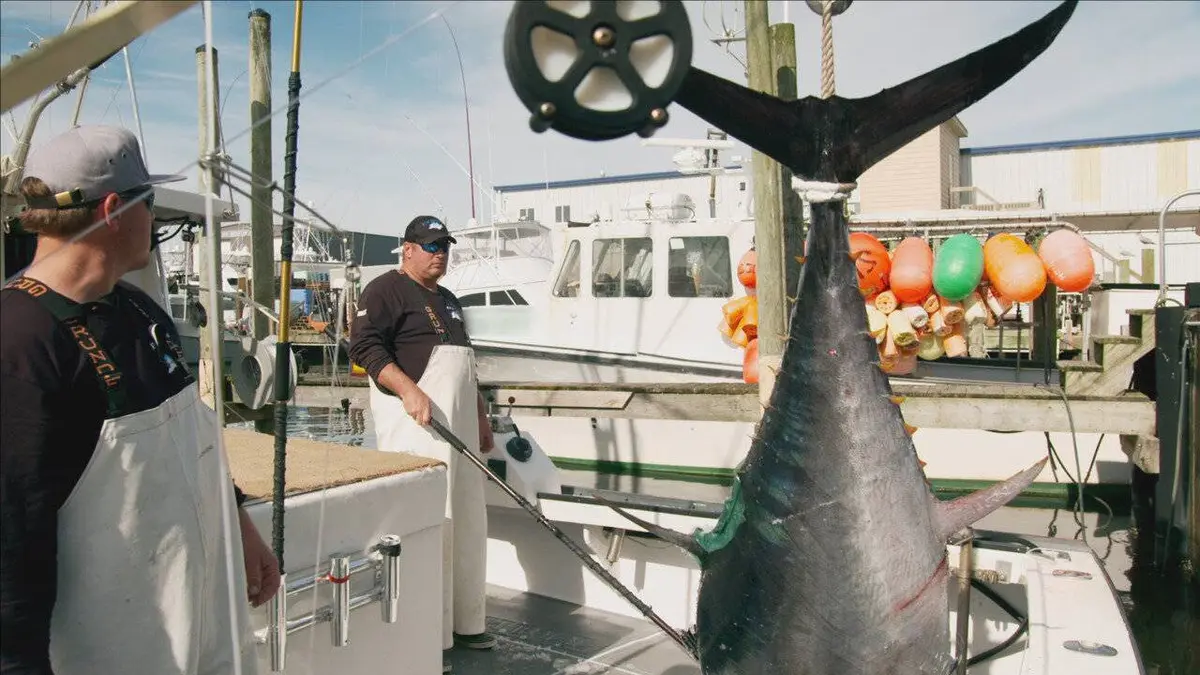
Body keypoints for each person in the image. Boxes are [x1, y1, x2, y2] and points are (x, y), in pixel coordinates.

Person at [0, 125, 280, 675]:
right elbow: (11, 542)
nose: (153, 221)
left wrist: (240, 525)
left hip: (203, 619)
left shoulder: (138, 310)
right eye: (148, 202)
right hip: (116, 647)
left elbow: (192, 440)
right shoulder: (19, 342)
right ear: (114, 211)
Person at [348, 215, 495, 672]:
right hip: (418, 427)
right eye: (431, 246)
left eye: (444, 246)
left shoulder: (449, 300)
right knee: (433, 524)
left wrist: (481, 417)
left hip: (460, 430)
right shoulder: (384, 290)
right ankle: (428, 634)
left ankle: (466, 621)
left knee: (467, 520)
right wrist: (409, 390)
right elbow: (364, 348)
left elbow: (466, 365)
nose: (440, 254)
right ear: (407, 249)